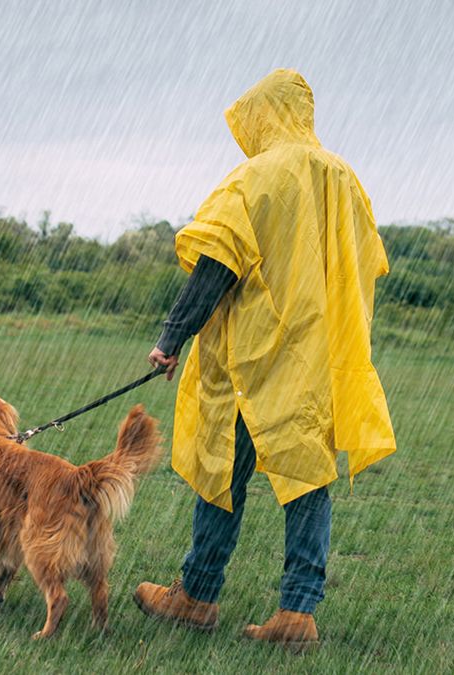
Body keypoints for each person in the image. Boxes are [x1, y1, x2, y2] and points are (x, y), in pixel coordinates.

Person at [134, 69, 397, 650]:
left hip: (252, 357)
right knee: (308, 477)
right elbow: (367, 263)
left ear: (263, 116)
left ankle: (197, 596)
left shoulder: (255, 178)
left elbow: (217, 264)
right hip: (314, 360)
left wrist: (171, 338)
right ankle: (298, 612)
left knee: (220, 469)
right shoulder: (344, 178)